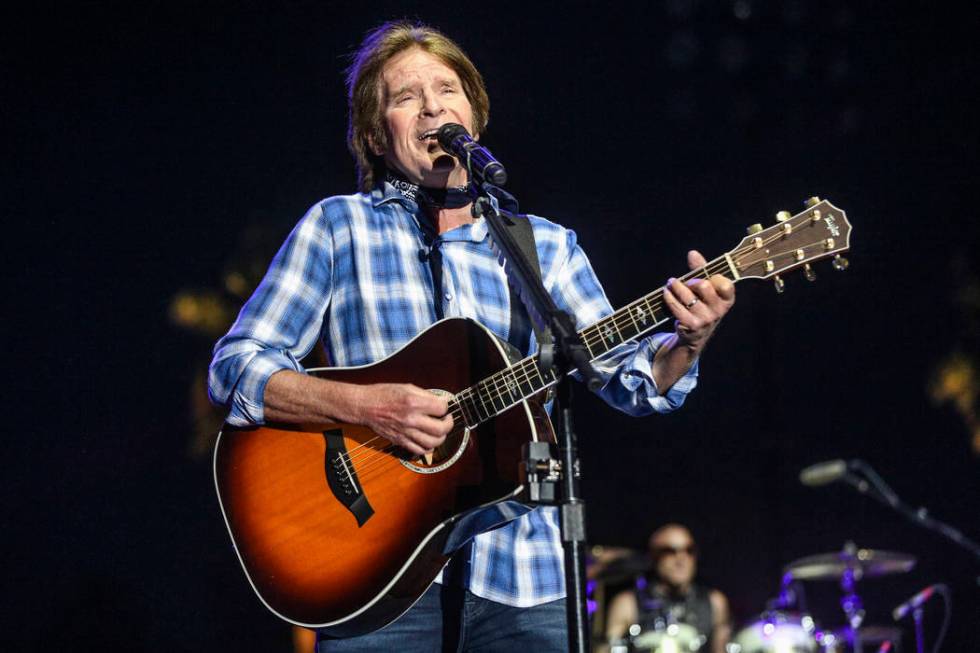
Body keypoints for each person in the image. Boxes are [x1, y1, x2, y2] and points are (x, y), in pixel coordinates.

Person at [208, 20, 735, 652]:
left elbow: (631, 381)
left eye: (447, 90)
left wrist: (689, 341)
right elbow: (236, 367)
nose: (433, 106)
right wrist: (367, 407)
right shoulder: (337, 227)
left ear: (474, 119)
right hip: (377, 573)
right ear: (378, 135)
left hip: (525, 577)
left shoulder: (545, 247)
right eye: (406, 97)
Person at [605, 524, 732, 653]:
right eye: (670, 551)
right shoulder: (627, 603)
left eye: (689, 550)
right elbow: (608, 647)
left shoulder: (715, 601)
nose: (681, 559)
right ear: (653, 557)